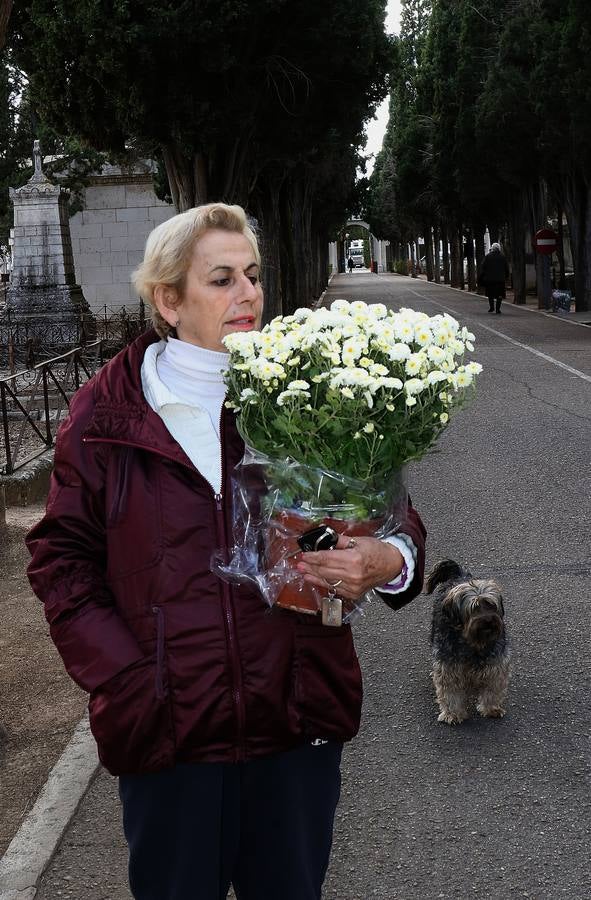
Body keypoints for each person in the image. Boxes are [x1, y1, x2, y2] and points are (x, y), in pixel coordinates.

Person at [26, 203, 426, 900]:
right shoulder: (106, 415)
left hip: (295, 721)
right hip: (168, 737)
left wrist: (386, 561)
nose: (247, 295)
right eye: (221, 279)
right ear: (168, 299)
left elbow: (395, 519)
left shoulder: (311, 396)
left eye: (252, 276)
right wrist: (127, 679)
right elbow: (61, 561)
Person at [478, 242, 510, 314]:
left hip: (490, 279)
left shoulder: (488, 256)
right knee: (500, 295)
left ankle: (491, 307)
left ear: (492, 248)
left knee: (490, 294)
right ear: (499, 249)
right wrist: (506, 276)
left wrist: (484, 275)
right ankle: (498, 309)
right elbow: (506, 268)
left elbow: (483, 266)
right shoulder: (503, 257)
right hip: (500, 279)